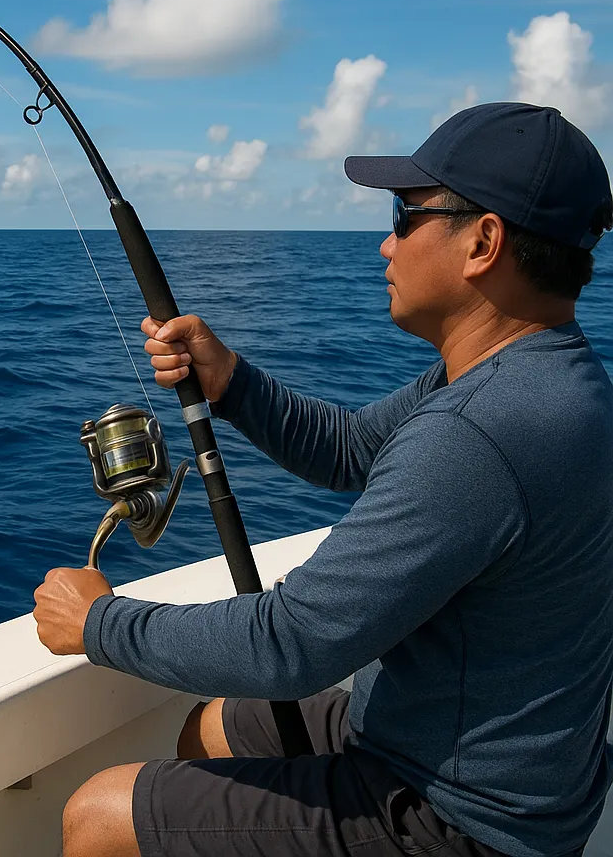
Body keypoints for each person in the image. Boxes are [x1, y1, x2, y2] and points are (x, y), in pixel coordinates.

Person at [32, 102, 613, 857]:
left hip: (466, 820)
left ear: (483, 241)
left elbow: (291, 645)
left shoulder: (477, 432)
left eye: (404, 218)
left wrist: (99, 624)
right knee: (208, 730)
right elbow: (349, 449)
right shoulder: (546, 377)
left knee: (101, 815)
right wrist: (230, 381)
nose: (384, 243)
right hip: (455, 745)